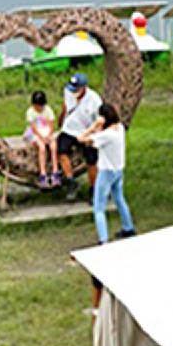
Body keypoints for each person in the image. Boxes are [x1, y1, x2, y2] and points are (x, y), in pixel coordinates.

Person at [80, 102, 136, 243]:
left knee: (98, 207)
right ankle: (128, 227)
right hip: (118, 170)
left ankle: (103, 239)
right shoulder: (120, 128)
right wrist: (99, 127)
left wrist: (93, 126)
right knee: (119, 199)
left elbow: (82, 139)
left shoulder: (106, 135)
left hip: (106, 171)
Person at [57, 72, 103, 195]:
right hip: (69, 129)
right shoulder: (68, 92)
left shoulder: (94, 100)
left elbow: (98, 120)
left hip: (86, 132)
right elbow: (65, 107)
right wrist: (60, 119)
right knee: (62, 151)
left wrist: (93, 136)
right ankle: (70, 180)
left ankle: (94, 188)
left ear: (83, 88)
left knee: (91, 161)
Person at [25, 88, 59, 187]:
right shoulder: (30, 112)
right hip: (37, 134)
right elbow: (34, 128)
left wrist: (49, 136)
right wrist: (41, 138)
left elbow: (51, 125)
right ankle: (43, 174)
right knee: (42, 148)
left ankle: (55, 172)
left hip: (46, 132)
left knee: (53, 146)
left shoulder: (48, 110)